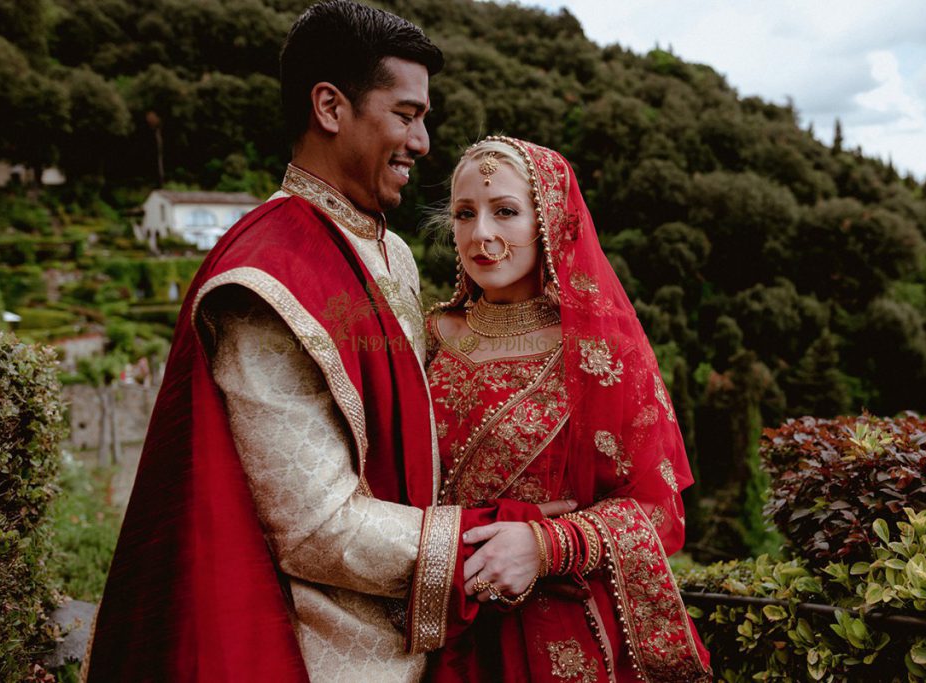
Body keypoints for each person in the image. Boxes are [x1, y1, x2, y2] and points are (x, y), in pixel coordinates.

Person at [84, 5, 565, 681]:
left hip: (416, 643)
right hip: (314, 659)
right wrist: (494, 533)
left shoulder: (390, 252)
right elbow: (315, 528)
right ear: (331, 107)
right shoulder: (265, 278)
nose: (423, 140)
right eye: (405, 113)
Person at [423, 136, 713, 682]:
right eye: (465, 214)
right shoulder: (430, 338)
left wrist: (546, 544)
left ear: (550, 222)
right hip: (435, 618)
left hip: (554, 634)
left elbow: (657, 510)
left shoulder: (601, 349)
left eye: (505, 212)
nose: (481, 235)